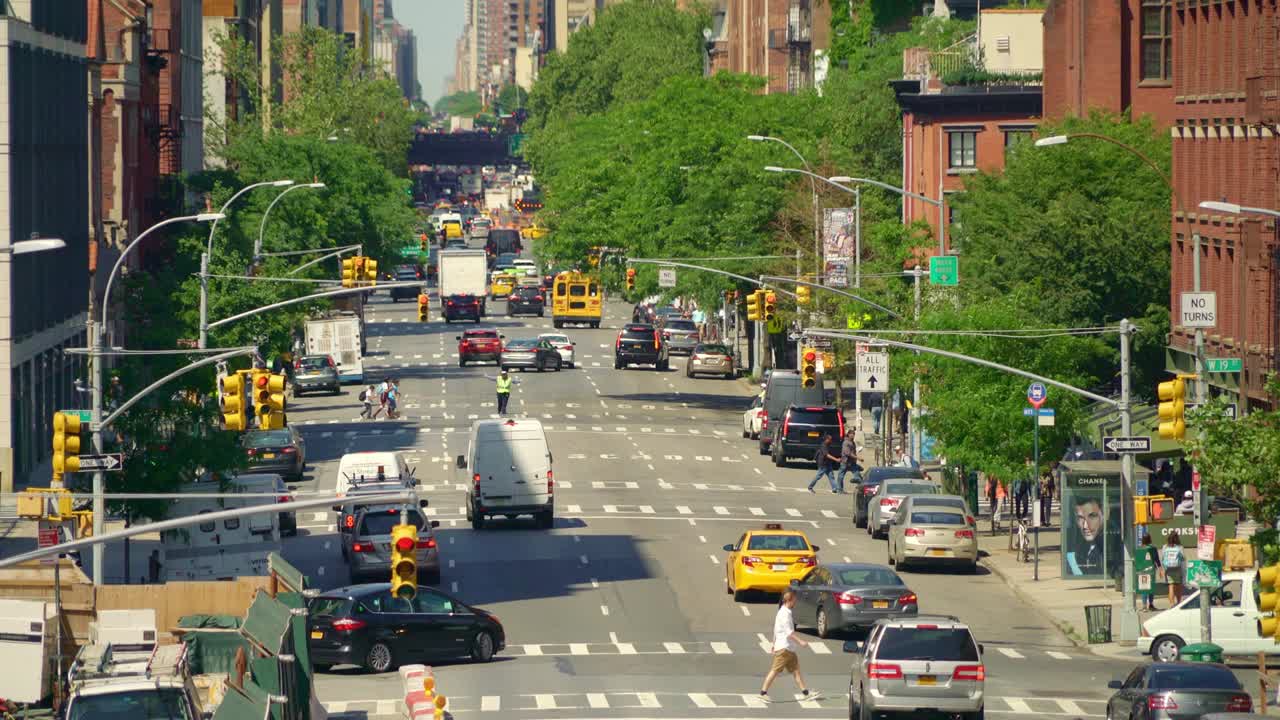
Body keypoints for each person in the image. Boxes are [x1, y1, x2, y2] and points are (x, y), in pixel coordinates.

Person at [759, 591, 818, 703]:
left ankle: (806, 693)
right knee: (774, 670)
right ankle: (763, 693)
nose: (795, 602)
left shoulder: (783, 612)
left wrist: (773, 644)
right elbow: (789, 632)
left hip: (788, 648)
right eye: (794, 600)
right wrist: (801, 642)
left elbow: (776, 630)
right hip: (784, 648)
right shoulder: (784, 614)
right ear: (789, 601)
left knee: (796, 671)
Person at [1064, 495, 1123, 578]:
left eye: (1092, 516)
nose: (1085, 526)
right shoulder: (1075, 550)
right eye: (1080, 518)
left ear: (1105, 514)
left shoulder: (1116, 543)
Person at [1161, 531, 1186, 606]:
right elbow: (1183, 559)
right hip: (1177, 568)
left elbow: (1163, 558)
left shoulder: (1165, 547)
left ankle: (1172, 603)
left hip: (1168, 569)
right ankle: (1178, 603)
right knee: (1178, 585)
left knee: (1171, 585)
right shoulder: (1180, 547)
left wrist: (1163, 569)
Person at [1139, 534, 1160, 611]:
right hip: (1152, 569)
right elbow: (1157, 559)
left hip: (1143, 569)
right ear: (1150, 539)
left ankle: (1144, 606)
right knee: (1151, 587)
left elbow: (1139, 560)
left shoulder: (1140, 548)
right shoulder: (1153, 548)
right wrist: (1160, 568)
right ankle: (1151, 605)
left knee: (1144, 587)